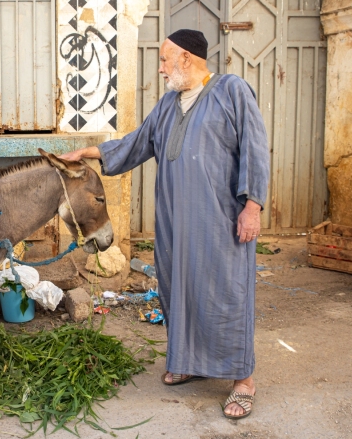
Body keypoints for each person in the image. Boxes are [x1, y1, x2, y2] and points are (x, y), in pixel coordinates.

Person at [60, 29, 269, 419]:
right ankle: (188, 361)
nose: (159, 69)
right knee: (179, 288)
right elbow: (136, 143)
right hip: (174, 222)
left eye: (163, 60)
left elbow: (255, 148)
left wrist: (252, 207)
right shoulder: (169, 105)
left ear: (186, 59)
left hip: (220, 219)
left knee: (226, 292)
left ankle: (242, 379)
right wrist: (89, 151)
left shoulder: (231, 91)